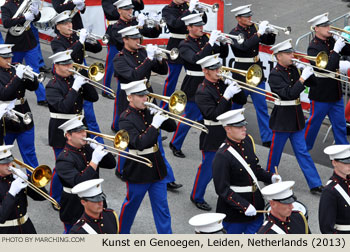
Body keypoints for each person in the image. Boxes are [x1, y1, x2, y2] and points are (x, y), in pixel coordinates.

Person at [113, 26, 181, 190]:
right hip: (129, 98)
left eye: (139, 38)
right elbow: (134, 76)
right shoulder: (119, 59)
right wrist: (149, 59)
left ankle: (166, 176)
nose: (138, 41)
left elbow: (163, 70)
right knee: (129, 137)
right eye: (134, 39)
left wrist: (159, 59)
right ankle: (121, 168)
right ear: (125, 40)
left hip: (146, 94)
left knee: (153, 134)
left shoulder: (142, 53)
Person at [118, 79, 176, 234]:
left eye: (146, 95)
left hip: (157, 167)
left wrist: (162, 113)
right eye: (140, 96)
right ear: (130, 97)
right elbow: (140, 143)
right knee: (131, 207)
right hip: (138, 168)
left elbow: (172, 127)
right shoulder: (125, 118)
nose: (145, 99)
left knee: (162, 209)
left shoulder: (149, 111)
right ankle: (120, 236)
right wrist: (154, 125)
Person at [266, 39, 324, 194]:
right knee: (275, 153)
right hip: (282, 119)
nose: (292, 55)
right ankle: (269, 178)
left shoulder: (293, 69)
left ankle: (315, 183)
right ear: (279, 56)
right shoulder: (274, 75)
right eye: (288, 53)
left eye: (291, 52)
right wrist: (302, 78)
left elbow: (314, 84)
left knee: (303, 152)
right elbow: (288, 94)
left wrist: (307, 70)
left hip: (296, 118)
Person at [190, 54, 246, 211]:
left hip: (228, 132)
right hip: (212, 134)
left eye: (219, 68)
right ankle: (196, 195)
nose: (219, 71)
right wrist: (227, 96)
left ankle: (231, 196)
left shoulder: (221, 83)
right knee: (208, 169)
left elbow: (241, 100)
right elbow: (213, 115)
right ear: (205, 71)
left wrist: (235, 86)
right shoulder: (202, 91)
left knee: (232, 166)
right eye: (214, 69)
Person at [169, 13, 228, 158]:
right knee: (189, 117)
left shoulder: (205, 39)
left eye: (202, 25)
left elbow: (223, 54)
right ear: (189, 28)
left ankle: (210, 144)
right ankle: (175, 143)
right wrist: (210, 43)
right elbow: (196, 59)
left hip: (211, 82)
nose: (202, 28)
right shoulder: (184, 45)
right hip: (193, 84)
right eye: (198, 26)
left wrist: (223, 43)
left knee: (210, 116)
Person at [212, 109, 281, 234]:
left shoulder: (247, 141)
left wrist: (270, 177)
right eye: (239, 127)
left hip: (256, 206)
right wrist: (244, 206)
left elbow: (254, 168)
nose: (244, 128)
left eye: (244, 125)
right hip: (235, 213)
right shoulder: (222, 155)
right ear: (228, 129)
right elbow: (222, 189)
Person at [46, 50, 99, 207]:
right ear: (56, 66)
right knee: (62, 165)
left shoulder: (74, 79)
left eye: (70, 63)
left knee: (81, 160)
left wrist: (85, 81)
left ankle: (78, 193)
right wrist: (75, 88)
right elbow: (63, 107)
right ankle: (56, 197)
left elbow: (94, 97)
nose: (70, 66)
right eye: (66, 64)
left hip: (79, 125)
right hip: (60, 130)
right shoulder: (52, 86)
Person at [50, 10, 104, 144]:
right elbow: (67, 57)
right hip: (66, 78)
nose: (69, 26)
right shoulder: (56, 42)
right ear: (58, 27)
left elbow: (97, 49)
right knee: (74, 111)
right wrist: (80, 42)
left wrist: (90, 38)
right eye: (65, 24)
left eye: (70, 22)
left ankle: (99, 144)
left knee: (90, 112)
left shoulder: (75, 36)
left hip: (81, 75)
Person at [55, 115, 116, 233]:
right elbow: (78, 182)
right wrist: (94, 162)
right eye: (79, 132)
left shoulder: (87, 148)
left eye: (84, 130)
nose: (84, 134)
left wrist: (100, 148)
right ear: (68, 135)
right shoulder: (64, 159)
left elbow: (111, 164)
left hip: (94, 199)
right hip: (74, 205)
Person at [110, 0, 161, 132]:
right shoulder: (116, 27)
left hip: (139, 60)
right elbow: (119, 41)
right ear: (119, 10)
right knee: (124, 111)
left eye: (131, 9)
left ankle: (150, 131)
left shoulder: (133, 23)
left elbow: (152, 34)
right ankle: (118, 126)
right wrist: (139, 26)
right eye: (126, 10)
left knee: (149, 117)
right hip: (124, 59)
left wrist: (155, 24)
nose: (130, 12)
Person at [229, 4, 274, 147]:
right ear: (238, 18)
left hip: (256, 71)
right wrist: (259, 33)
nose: (250, 18)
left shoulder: (254, 28)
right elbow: (245, 46)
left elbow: (267, 42)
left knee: (261, 107)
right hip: (241, 72)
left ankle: (267, 138)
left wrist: (270, 33)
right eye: (246, 16)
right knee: (236, 106)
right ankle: (230, 133)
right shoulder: (234, 32)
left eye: (250, 16)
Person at [304, 13, 350, 150]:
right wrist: (336, 50)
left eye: (328, 25)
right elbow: (327, 69)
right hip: (321, 92)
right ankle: (304, 148)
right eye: (324, 26)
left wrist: (344, 41)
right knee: (314, 123)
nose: (328, 28)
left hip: (335, 91)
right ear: (316, 28)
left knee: (340, 124)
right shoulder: (313, 47)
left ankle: (343, 152)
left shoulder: (331, 40)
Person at [0, 44, 41, 175]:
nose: (9, 61)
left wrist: (31, 76)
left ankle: (35, 183)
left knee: (29, 151)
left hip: (23, 114)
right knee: (3, 155)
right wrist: (18, 77)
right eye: (4, 58)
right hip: (5, 119)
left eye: (9, 58)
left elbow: (33, 87)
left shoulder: (16, 67)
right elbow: (4, 94)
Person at [160, 0, 207, 111]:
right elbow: (176, 24)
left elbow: (202, 21)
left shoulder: (187, 6)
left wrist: (202, 12)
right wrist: (189, 10)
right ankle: (165, 107)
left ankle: (193, 105)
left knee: (194, 76)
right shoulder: (167, 9)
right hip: (176, 45)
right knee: (172, 79)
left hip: (192, 45)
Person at [1, 0, 47, 106]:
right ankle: (12, 95)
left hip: (30, 42)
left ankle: (42, 98)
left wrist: (36, 13)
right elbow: (6, 23)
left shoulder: (25, 2)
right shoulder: (6, 7)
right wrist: (23, 18)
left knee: (34, 70)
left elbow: (36, 19)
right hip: (15, 44)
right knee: (13, 71)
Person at [102, 0, 144, 100]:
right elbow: (112, 13)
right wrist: (124, 9)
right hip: (114, 29)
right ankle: (106, 88)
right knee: (112, 62)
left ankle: (126, 88)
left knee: (129, 61)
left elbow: (140, 6)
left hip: (128, 28)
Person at [0, 145, 45, 234]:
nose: (9, 165)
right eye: (4, 163)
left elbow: (41, 197)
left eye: (10, 161)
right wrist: (11, 193)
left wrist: (28, 180)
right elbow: (1, 216)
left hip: (26, 227)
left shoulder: (15, 177)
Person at [320, 145, 350, 234]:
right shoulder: (330, 191)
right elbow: (326, 228)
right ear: (334, 163)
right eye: (345, 163)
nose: (349, 165)